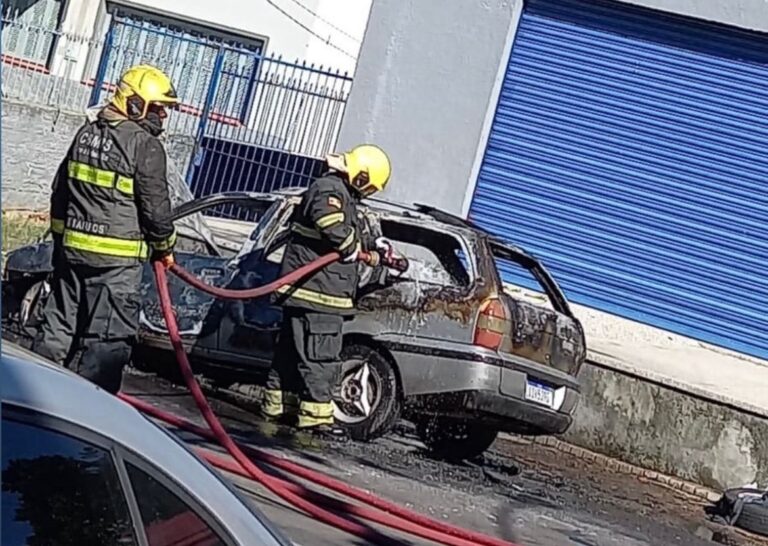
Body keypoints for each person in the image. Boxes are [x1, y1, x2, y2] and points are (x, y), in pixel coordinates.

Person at [32, 64, 180, 394]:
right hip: (116, 266)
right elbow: (156, 209)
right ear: (135, 104)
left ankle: (32, 397)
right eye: (158, 108)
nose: (163, 116)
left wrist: (61, 240)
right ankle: (91, 412)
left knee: (57, 329)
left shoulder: (85, 134)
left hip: (72, 257)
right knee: (106, 343)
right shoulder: (144, 145)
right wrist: (165, 247)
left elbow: (60, 191)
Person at [261, 144, 399, 439]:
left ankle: (280, 406)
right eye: (369, 186)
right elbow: (331, 226)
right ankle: (317, 419)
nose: (367, 192)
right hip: (319, 292)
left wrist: (376, 245)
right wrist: (357, 251)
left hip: (310, 291)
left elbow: (343, 228)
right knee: (320, 357)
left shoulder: (340, 192)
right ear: (361, 176)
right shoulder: (329, 189)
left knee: (292, 355)